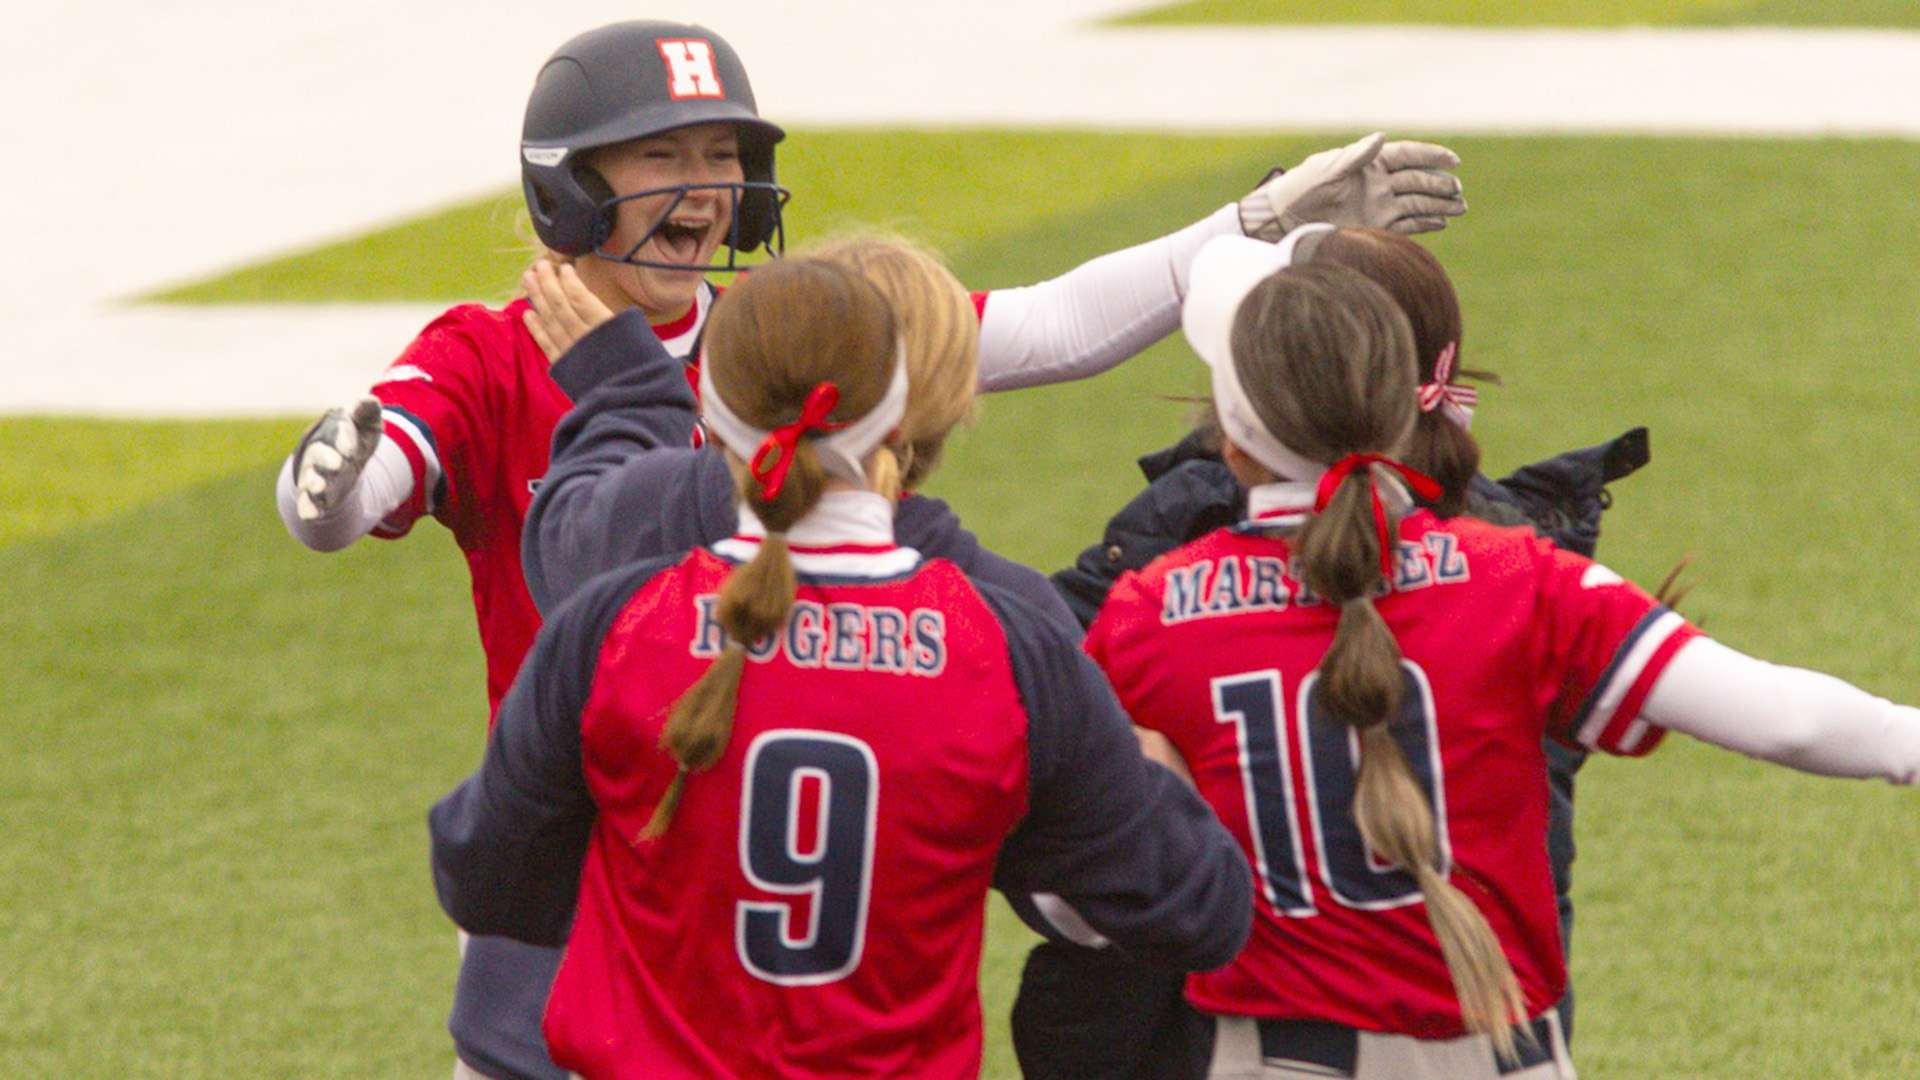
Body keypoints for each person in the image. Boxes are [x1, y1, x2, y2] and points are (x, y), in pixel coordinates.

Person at [269, 19, 1462, 1078]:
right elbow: (363, 482)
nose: (705, 187)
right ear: (570, 186)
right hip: (580, 865)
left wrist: (1250, 223)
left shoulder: (781, 332)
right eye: (664, 155)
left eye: (722, 156)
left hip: (726, 870)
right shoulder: (494, 349)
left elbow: (1048, 324)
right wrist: (327, 484)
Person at [1074, 238, 1920, 1079]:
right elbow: (1792, 720)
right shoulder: (1516, 575)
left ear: (1230, 440)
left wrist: (1162, 815)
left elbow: (1071, 902)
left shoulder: (1149, 614)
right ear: (1407, 409)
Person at [428, 255, 1254, 1079]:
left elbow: (485, 881)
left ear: (708, 422)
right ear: (903, 426)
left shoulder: (608, 629)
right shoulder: (1006, 646)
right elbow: (1200, 911)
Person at [1016, 225, 1643, 1079]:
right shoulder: (1520, 566)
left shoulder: (1169, 564)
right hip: (1484, 1029)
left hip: (1212, 1032)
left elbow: (1020, 719)